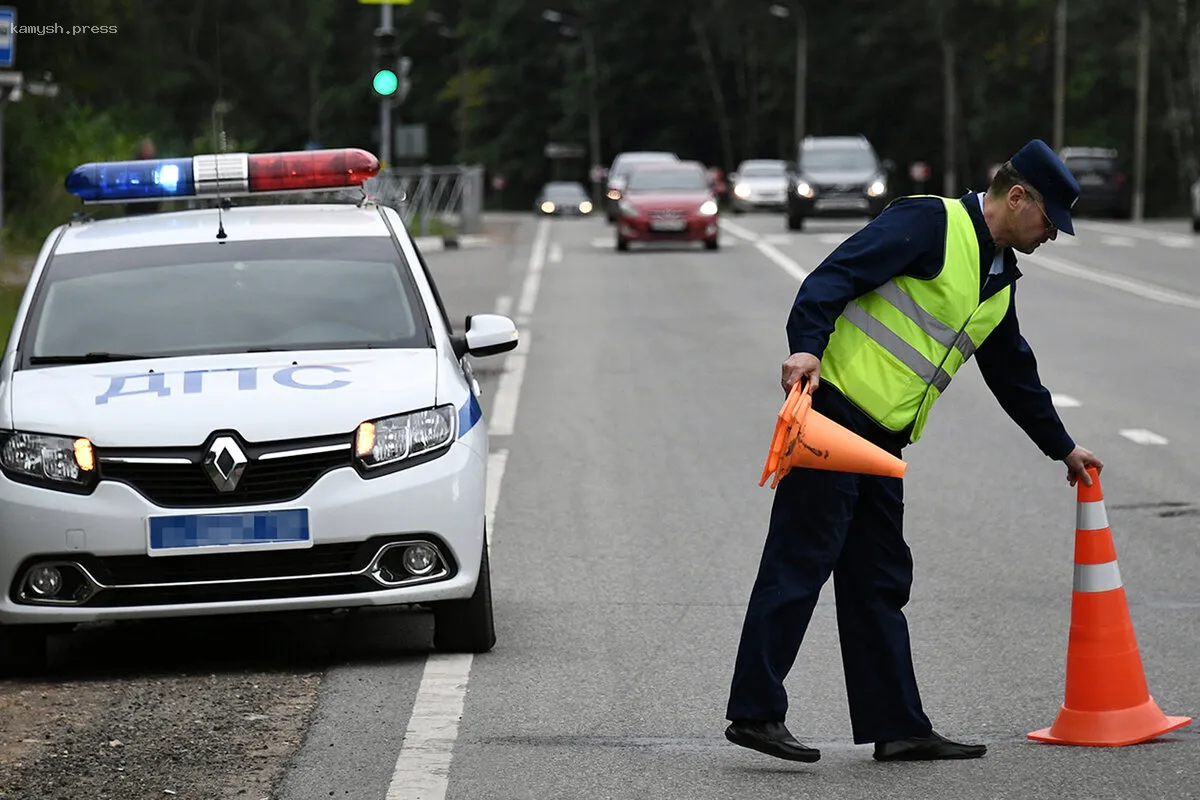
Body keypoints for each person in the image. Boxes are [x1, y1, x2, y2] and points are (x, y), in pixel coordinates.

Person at [724, 139, 1105, 763]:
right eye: (1049, 221)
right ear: (1017, 197)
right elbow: (833, 276)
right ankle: (756, 714)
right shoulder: (931, 222)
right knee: (800, 561)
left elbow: (1013, 373)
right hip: (834, 416)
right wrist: (806, 346)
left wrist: (1062, 448)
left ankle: (897, 726)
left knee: (878, 578)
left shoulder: (997, 280)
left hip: (882, 440)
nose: (1053, 235)